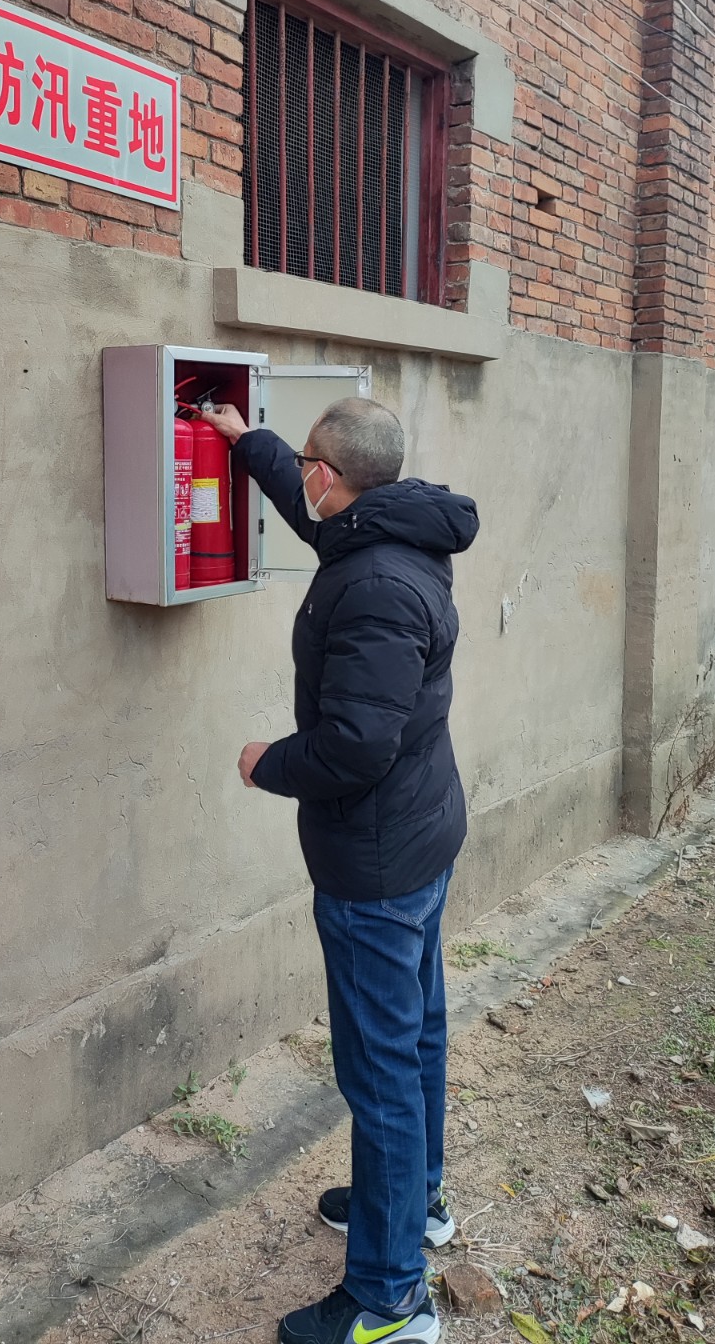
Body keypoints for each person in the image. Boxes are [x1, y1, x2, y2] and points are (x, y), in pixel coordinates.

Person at [200, 396, 479, 1344]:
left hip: (376, 864)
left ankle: (389, 1301)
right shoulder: (384, 529)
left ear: (334, 475)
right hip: (417, 835)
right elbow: (304, 501)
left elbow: (357, 745)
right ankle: (414, 1202)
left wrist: (267, 763)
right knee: (416, 1034)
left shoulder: (375, 583)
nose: (303, 477)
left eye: (305, 461)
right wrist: (247, 442)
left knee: (380, 1071)